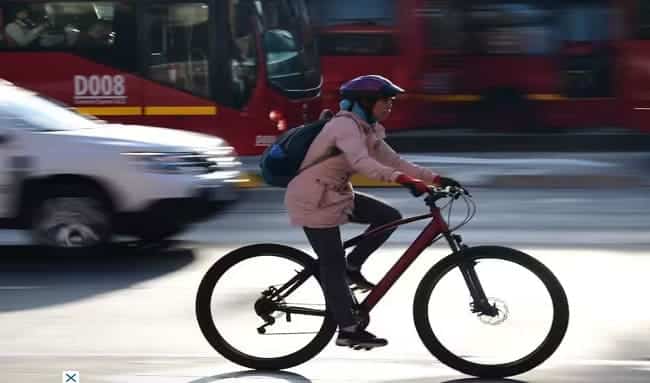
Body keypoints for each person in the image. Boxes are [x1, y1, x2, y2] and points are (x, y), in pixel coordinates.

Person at [284, 75, 461, 349]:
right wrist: (403, 180)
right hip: (312, 199)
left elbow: (395, 161)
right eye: (385, 101)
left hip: (336, 195)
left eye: (391, 101)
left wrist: (436, 179)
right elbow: (362, 163)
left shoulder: (368, 129)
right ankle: (348, 330)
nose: (390, 106)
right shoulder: (344, 126)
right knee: (332, 263)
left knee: (389, 216)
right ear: (365, 102)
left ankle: (352, 268)